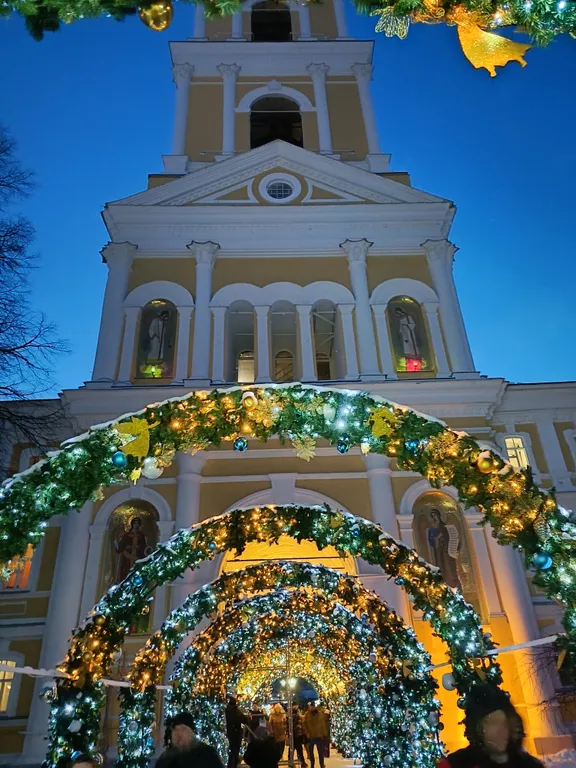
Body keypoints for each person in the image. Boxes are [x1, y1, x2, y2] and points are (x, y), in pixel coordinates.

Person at [437, 685, 545, 768]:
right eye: (493, 722)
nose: (501, 729)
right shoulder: (456, 765)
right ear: (478, 728)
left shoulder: (529, 765)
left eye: (505, 722)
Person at [156, 712, 224, 768]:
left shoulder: (208, 754)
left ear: (191, 734)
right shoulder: (165, 759)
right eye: (175, 730)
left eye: (183, 730)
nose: (178, 734)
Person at [426, 508, 462, 590]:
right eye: (432, 516)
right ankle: (443, 585)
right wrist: (436, 539)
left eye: (435, 514)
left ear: (439, 515)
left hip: (448, 551)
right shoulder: (432, 529)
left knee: (450, 567)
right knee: (441, 566)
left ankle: (454, 585)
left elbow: (454, 538)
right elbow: (431, 540)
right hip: (438, 551)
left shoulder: (447, 527)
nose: (434, 517)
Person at [225, 696, 250, 768]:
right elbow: (245, 719)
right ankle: (233, 765)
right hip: (236, 734)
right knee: (235, 752)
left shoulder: (226, 711)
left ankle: (230, 765)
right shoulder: (236, 712)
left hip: (229, 733)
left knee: (230, 751)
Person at [303, 702, 329, 768]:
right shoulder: (307, 714)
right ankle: (312, 764)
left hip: (319, 736)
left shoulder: (320, 714)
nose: (312, 708)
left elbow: (322, 725)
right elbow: (304, 724)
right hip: (311, 736)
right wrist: (307, 733)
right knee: (311, 753)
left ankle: (321, 764)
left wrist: (324, 734)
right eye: (311, 706)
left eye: (313, 706)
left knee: (320, 752)